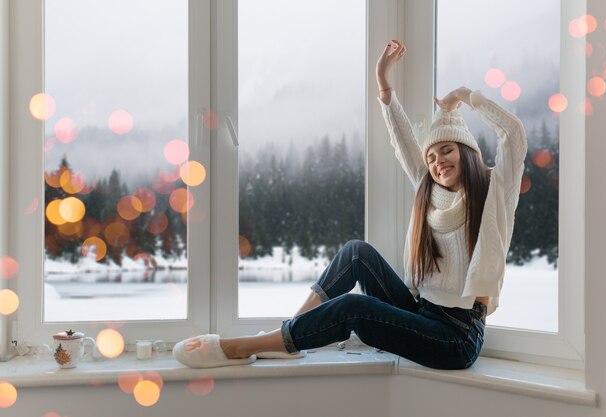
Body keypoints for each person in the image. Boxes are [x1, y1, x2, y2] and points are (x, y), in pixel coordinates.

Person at [173, 39, 527, 370]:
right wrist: (383, 83)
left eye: (446, 150)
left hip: (457, 337)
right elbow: (402, 140)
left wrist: (462, 97)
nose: (437, 162)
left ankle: (244, 346)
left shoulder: (494, 191)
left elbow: (514, 134)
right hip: (423, 312)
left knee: (354, 308)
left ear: (466, 152)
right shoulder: (428, 189)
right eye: (431, 156)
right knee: (356, 252)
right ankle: (285, 335)